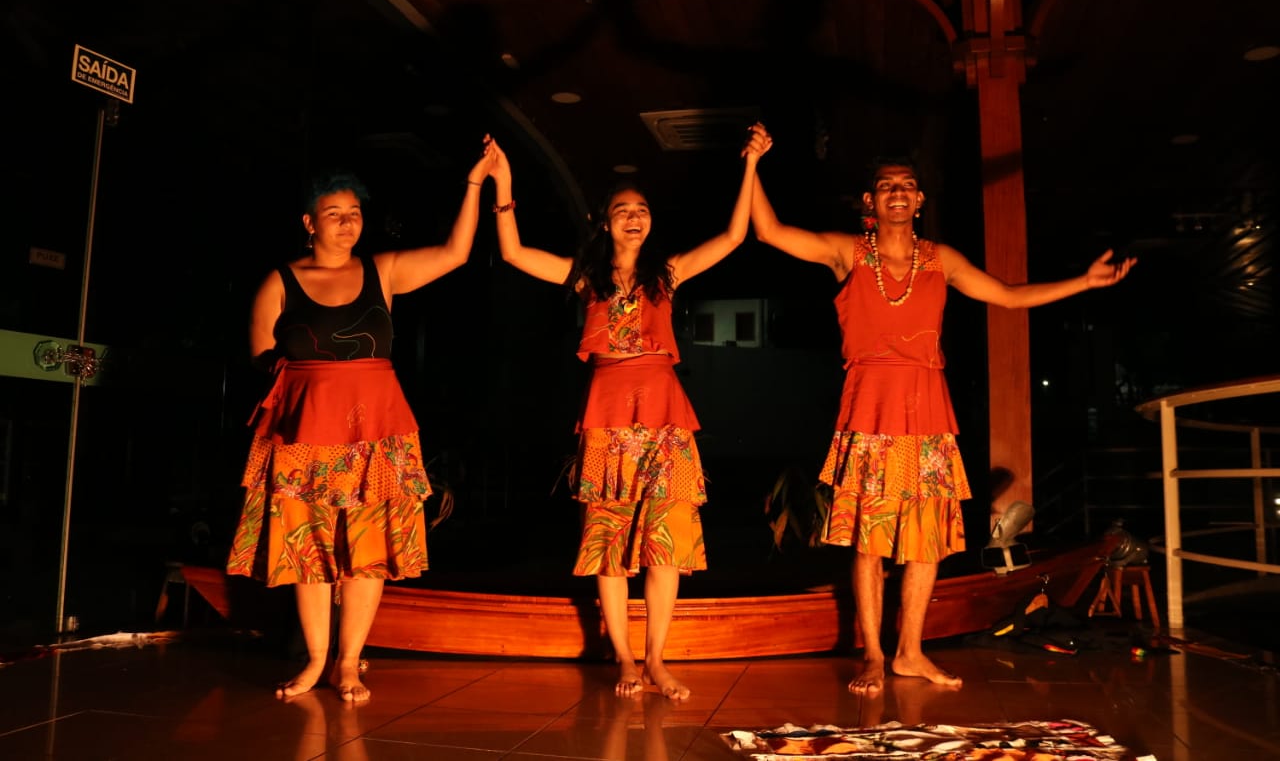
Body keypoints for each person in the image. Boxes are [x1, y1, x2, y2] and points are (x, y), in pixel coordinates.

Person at [747, 129, 1135, 695]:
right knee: (871, 543)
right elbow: (770, 231)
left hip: (928, 411)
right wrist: (754, 165)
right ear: (870, 203)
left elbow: (1006, 295)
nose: (897, 194)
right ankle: (876, 656)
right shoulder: (849, 252)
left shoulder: (940, 261)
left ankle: (910, 652)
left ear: (919, 200)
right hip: (870, 410)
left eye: (907, 186)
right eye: (885, 187)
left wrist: (1083, 281)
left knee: (925, 540)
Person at [489, 126, 768, 700]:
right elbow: (514, 253)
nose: (634, 217)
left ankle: (657, 659)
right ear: (604, 220)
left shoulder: (666, 274)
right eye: (622, 210)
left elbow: (735, 236)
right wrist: (504, 183)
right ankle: (624, 659)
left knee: (665, 542)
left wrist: (751, 166)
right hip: (609, 415)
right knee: (610, 543)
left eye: (641, 209)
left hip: (666, 415)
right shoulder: (585, 277)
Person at [226, 135, 503, 701]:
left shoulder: (385, 271)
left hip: (377, 432)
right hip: (307, 431)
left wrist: (476, 182)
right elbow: (259, 358)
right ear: (309, 221)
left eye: (355, 214)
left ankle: (349, 662)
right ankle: (315, 661)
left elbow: (454, 252)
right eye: (334, 214)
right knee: (308, 552)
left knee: (367, 553)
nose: (347, 223)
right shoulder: (279, 281)